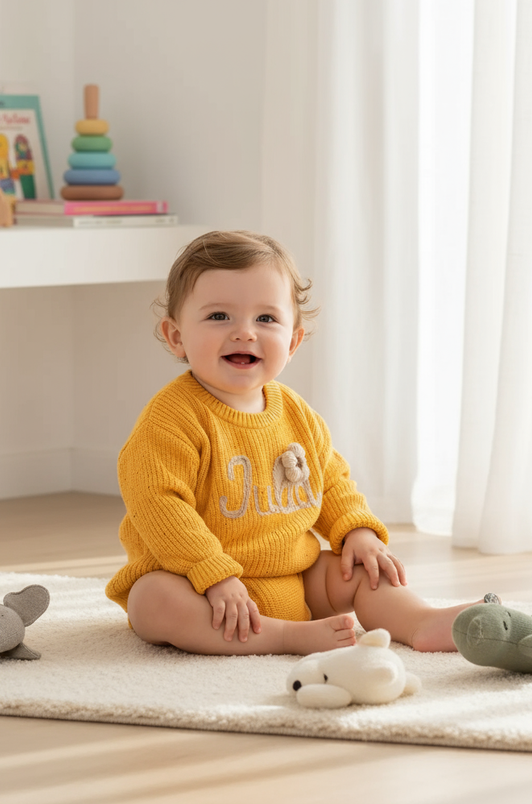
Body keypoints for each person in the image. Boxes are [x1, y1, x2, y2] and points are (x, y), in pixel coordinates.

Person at [105, 230, 496, 656]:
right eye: (219, 316)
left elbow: (331, 481)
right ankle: (283, 637)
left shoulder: (296, 413)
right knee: (153, 601)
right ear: (176, 335)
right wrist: (212, 573)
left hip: (296, 576)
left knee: (363, 570)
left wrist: (358, 531)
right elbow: (159, 506)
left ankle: (418, 621)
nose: (244, 333)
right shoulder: (170, 419)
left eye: (266, 319)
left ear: (293, 341)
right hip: (200, 586)